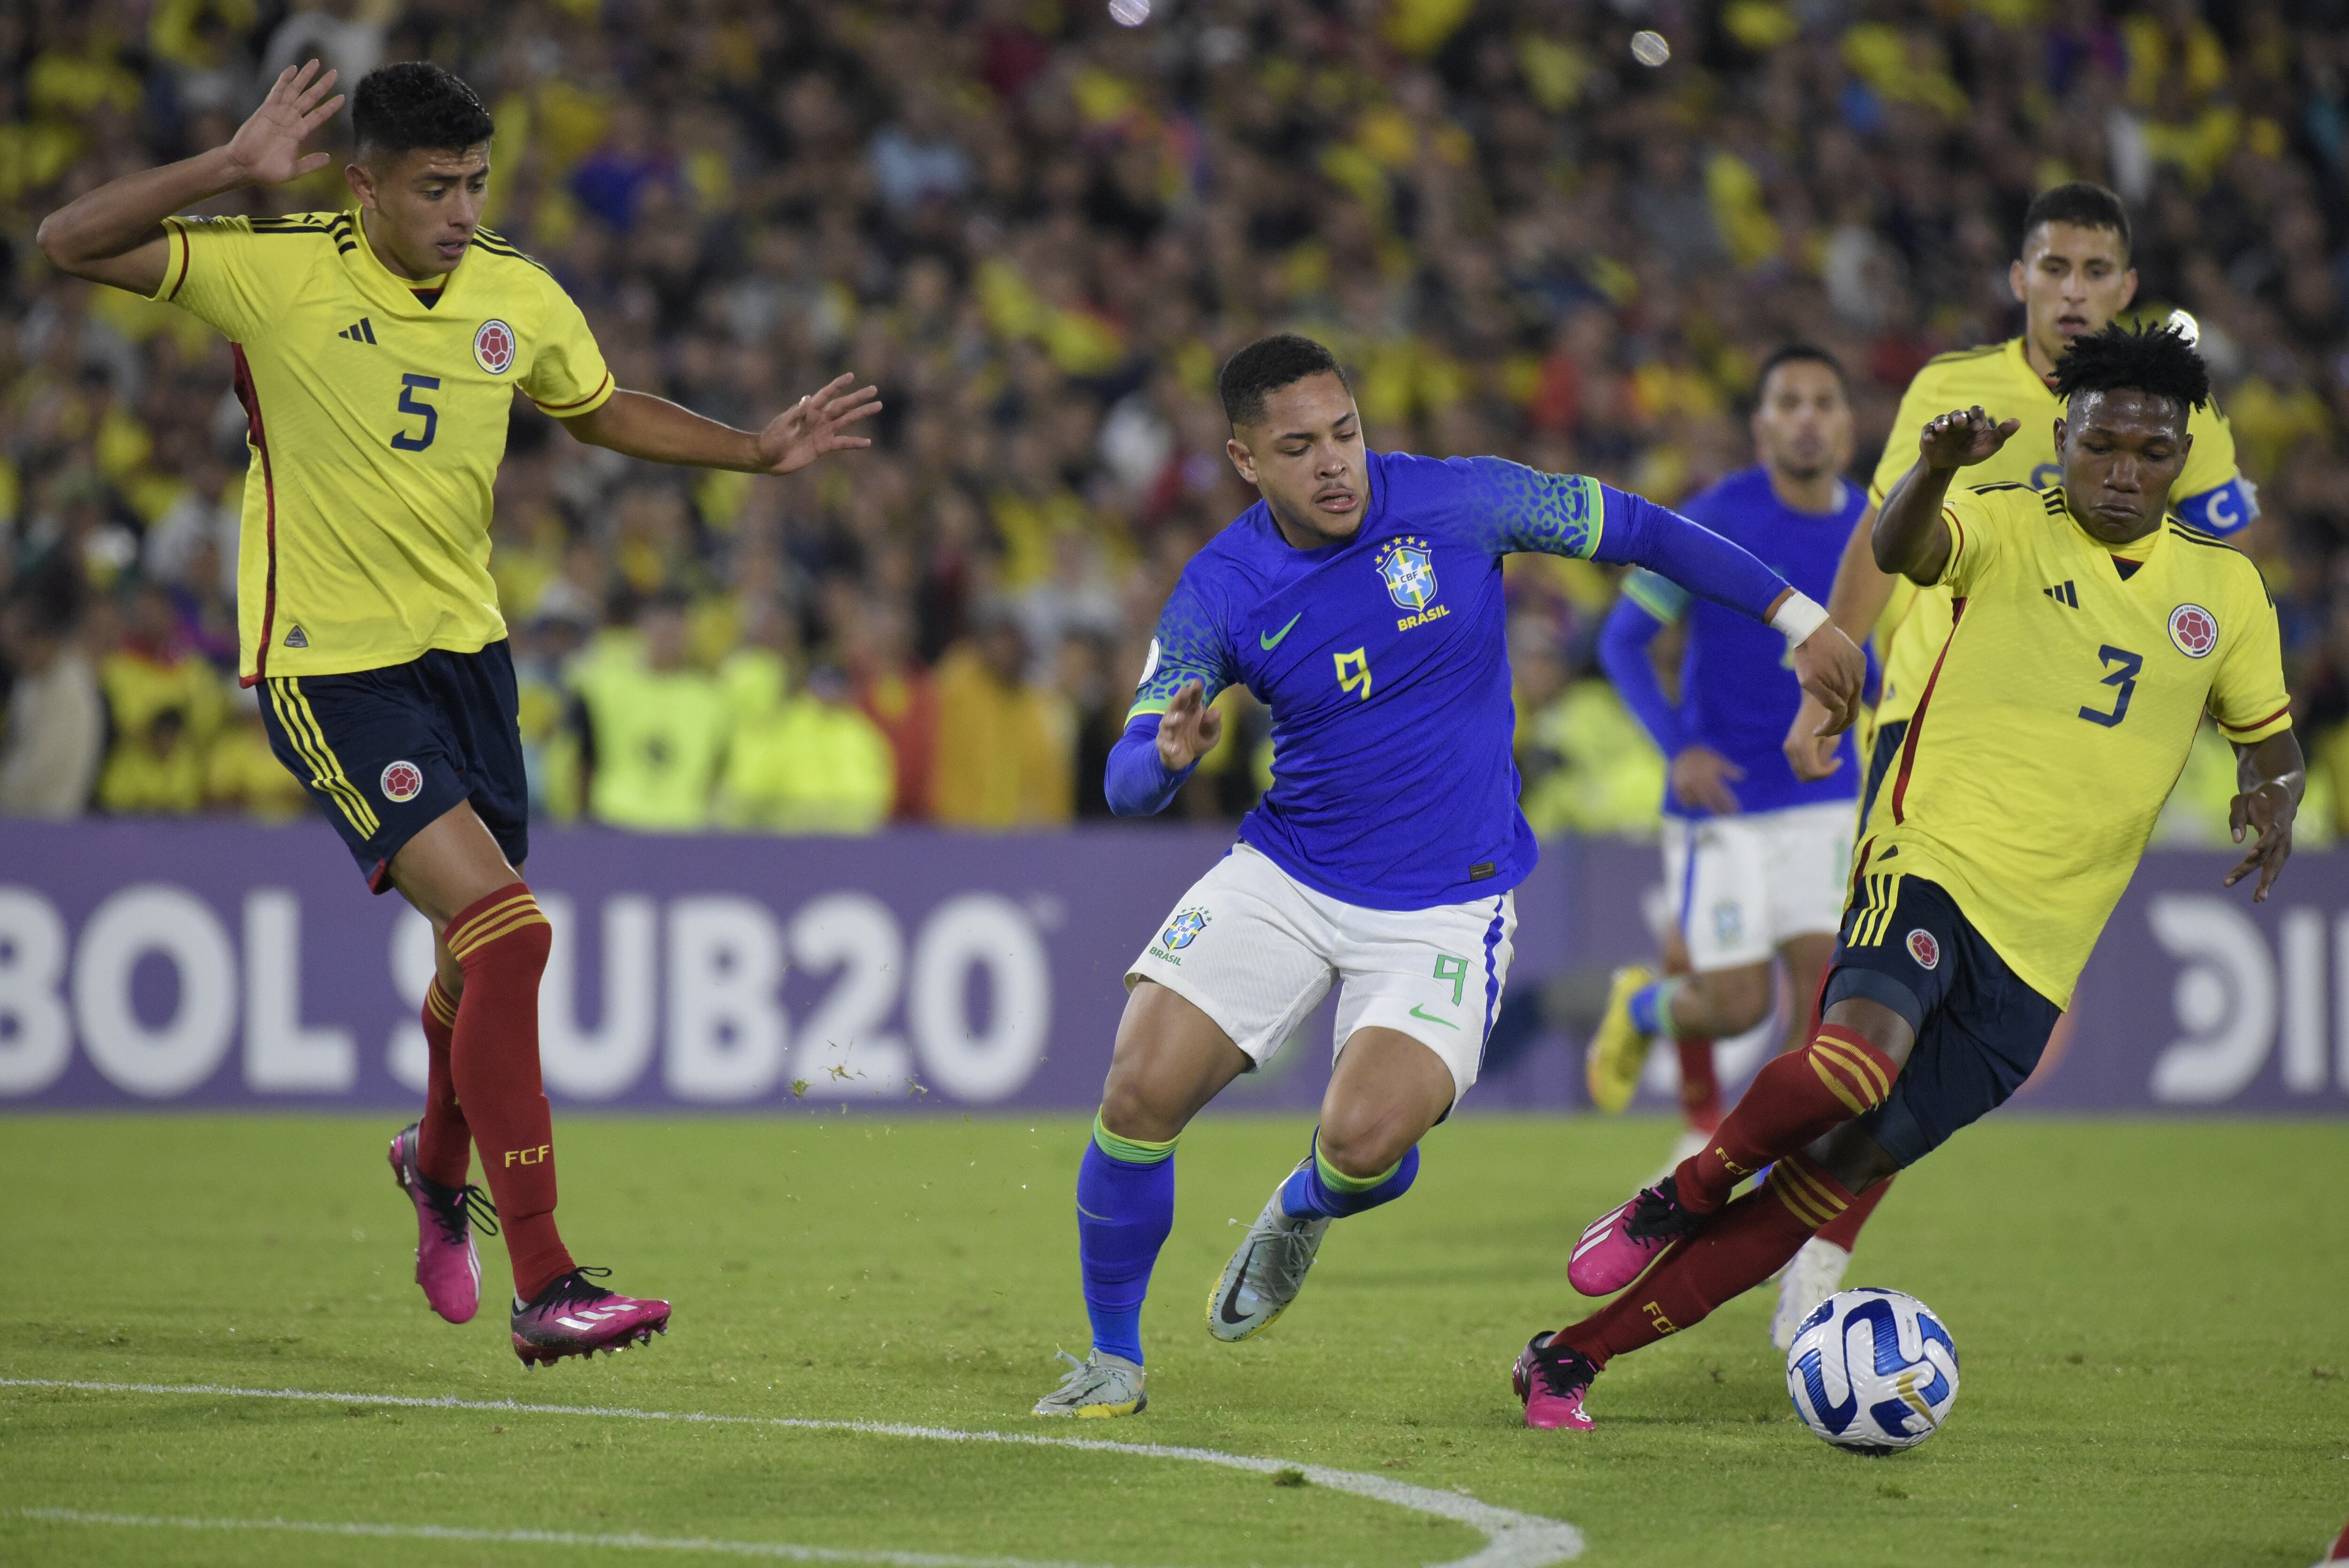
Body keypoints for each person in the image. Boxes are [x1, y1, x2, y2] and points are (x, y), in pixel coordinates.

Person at [34, 60, 879, 1364]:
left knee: (472, 961)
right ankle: (547, 1279)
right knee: (512, 934)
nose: (463, 210)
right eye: (435, 187)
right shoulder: (277, 267)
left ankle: (434, 1169)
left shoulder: (516, 291)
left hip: (468, 663)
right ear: (361, 184)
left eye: (478, 183)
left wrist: (755, 453)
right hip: (332, 670)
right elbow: (65, 241)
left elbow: (596, 410)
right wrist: (226, 168)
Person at [1032, 334, 1868, 1418]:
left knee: (1361, 1136)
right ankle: (1113, 1360)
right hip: (1288, 873)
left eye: (1346, 432)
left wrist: (1799, 619)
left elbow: (1644, 531)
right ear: (1245, 462)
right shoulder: (1221, 588)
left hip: (1444, 905)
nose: (1336, 463)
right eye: (1299, 448)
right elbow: (1126, 779)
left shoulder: (1463, 500)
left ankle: (1311, 1202)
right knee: (1137, 1090)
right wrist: (1164, 755)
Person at [1518, 324, 2301, 1433]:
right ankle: (1678, 1192)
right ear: (2063, 438)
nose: (2122, 472)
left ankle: (1565, 1360)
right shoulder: (2003, 520)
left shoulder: (2224, 593)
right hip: (1928, 852)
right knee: (1849, 1064)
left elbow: (2268, 738)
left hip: (2039, 953)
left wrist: (2274, 789)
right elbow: (1900, 546)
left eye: (2151, 452)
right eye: (2100, 445)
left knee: (1816, 1187)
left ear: (2182, 456)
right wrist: (1936, 464)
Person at [1768, 180, 2258, 1320]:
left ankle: (1811, 1247)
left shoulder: (2184, 415)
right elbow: (1883, 534)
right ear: (2020, 278)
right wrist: (1830, 671)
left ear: (2127, 288)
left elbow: (2220, 567)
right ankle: (1779, 1220)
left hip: (2068, 763)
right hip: (1932, 731)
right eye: (2056, 269)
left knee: (1942, 1036)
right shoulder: (1951, 389)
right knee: (1870, 993)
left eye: (2097, 273)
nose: (2075, 291)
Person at [1586, 346, 1870, 1338]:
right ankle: (1647, 1004)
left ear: (1846, 422)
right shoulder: (1713, 518)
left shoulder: (1876, 527)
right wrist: (1678, 749)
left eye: (1821, 403)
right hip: (1723, 807)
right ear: (1761, 426)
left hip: (1830, 798)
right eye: (1786, 403)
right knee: (1739, 1000)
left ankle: (1785, 1200)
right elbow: (1619, 643)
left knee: (1823, 1014)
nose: (1804, 419)